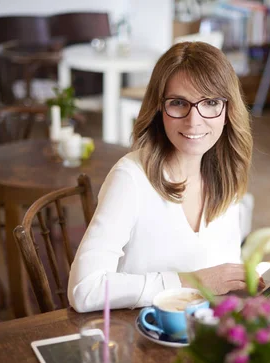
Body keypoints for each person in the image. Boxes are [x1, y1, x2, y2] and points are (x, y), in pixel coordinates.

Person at [67, 41, 254, 312]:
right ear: (158, 108)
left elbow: (224, 281)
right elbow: (85, 289)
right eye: (178, 103)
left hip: (201, 336)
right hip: (139, 338)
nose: (194, 121)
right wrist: (192, 281)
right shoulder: (130, 178)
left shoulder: (227, 180)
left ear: (227, 112)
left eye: (211, 102)